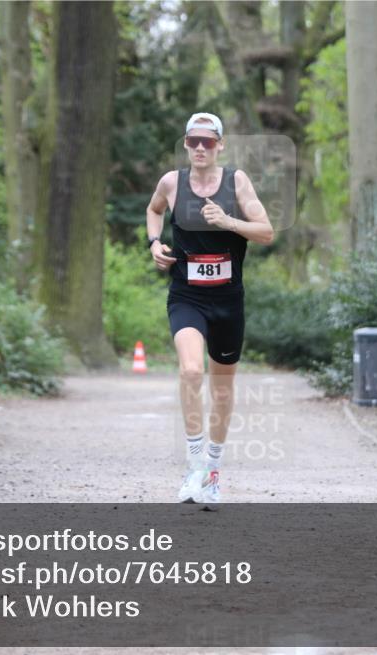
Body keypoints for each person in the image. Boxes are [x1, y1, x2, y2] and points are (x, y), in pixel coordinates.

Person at [144, 112, 275, 504]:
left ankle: (213, 473)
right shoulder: (171, 182)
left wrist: (229, 221)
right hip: (187, 295)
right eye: (193, 141)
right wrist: (153, 244)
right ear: (185, 144)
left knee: (221, 391)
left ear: (220, 145)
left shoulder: (236, 182)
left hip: (227, 300)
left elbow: (266, 232)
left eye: (208, 141)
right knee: (190, 370)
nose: (200, 148)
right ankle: (194, 467)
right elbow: (153, 211)